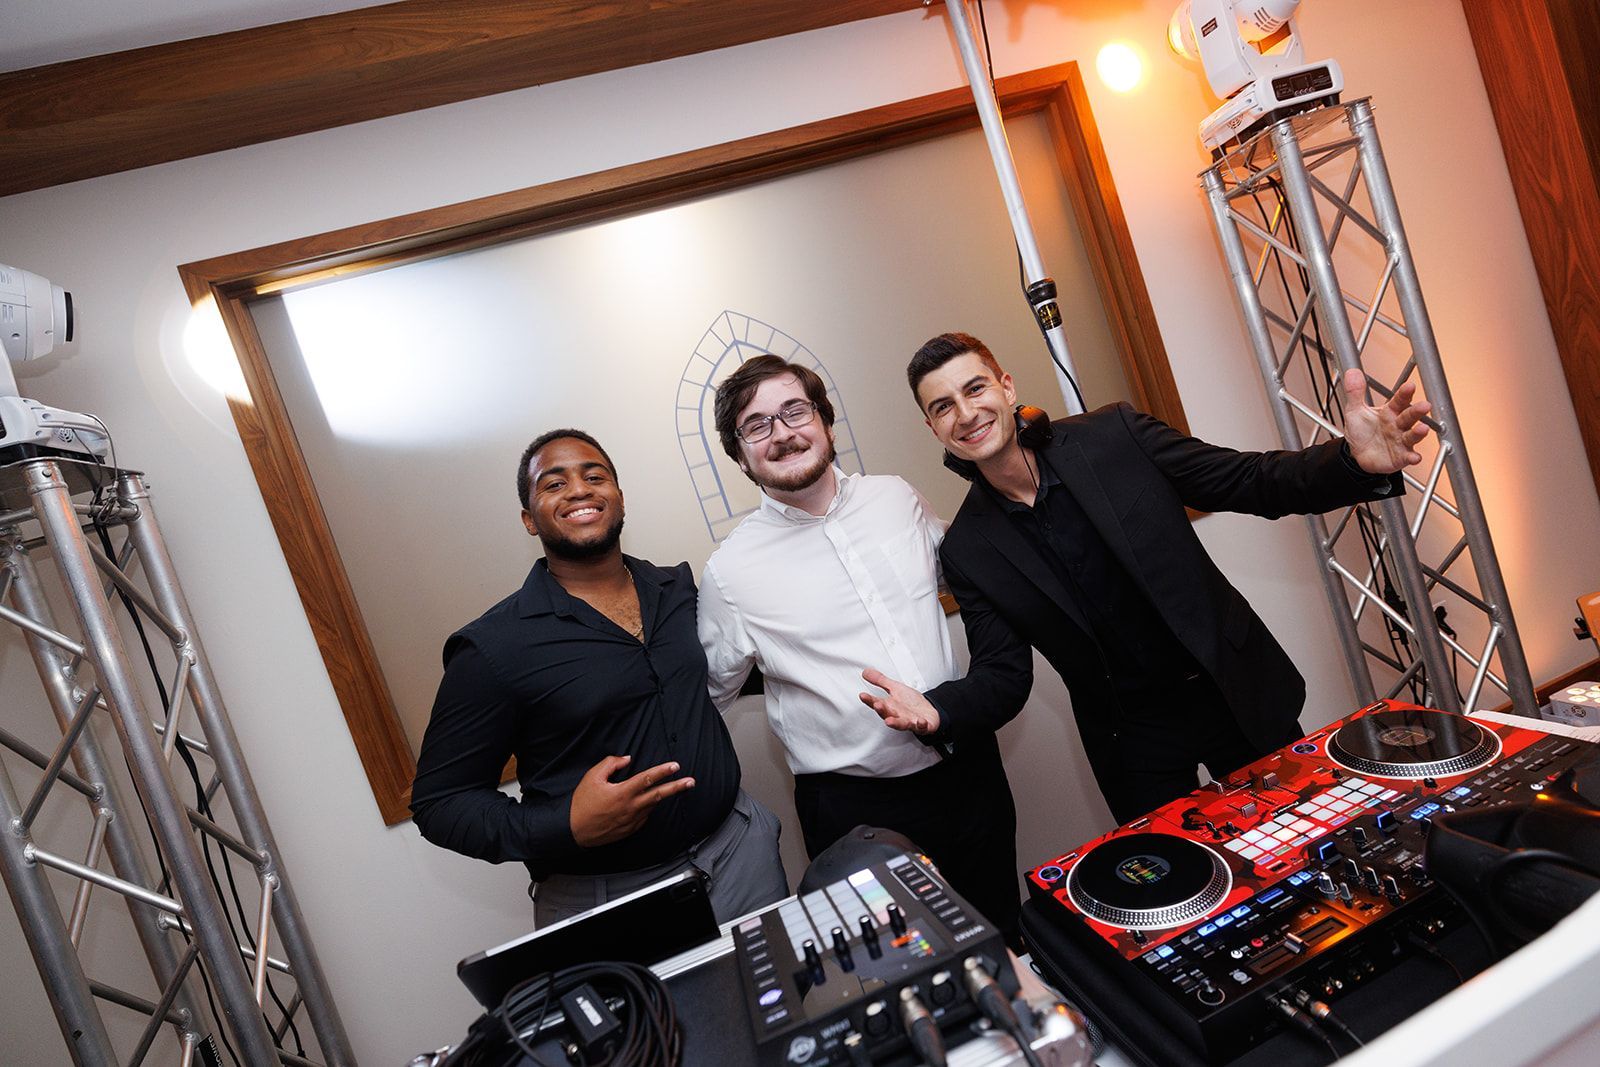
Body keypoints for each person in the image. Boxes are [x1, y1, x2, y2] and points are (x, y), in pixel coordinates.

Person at [859, 332, 1431, 824]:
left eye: (975, 388)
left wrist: (1351, 463)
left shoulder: (1115, 436)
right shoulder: (969, 550)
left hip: (1231, 688)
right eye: (942, 406)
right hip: (1133, 741)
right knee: (1193, 902)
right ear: (933, 429)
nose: (965, 413)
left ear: (1007, 388)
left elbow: (1249, 480)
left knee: (1308, 841)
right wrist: (940, 711)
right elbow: (1002, 674)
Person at [697, 355, 1021, 942]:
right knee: (893, 978)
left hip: (967, 773)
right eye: (757, 425)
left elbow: (976, 577)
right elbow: (707, 698)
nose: (783, 433)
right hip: (854, 811)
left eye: (795, 411)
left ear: (823, 420)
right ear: (739, 454)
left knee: (1000, 932)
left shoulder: (895, 497)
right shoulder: (729, 574)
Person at [410, 429, 787, 925]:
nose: (580, 490)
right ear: (529, 519)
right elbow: (441, 803)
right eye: (553, 484)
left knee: (787, 998)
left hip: (740, 856)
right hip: (610, 900)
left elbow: (733, 668)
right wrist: (565, 824)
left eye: (595, 476)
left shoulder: (677, 589)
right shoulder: (493, 647)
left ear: (619, 499)